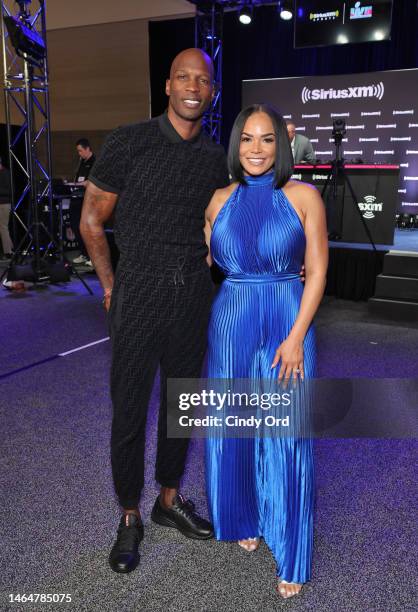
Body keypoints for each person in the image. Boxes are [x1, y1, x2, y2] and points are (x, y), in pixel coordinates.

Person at [80, 49, 230, 574]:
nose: (193, 86)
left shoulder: (215, 156)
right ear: (167, 85)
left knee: (182, 403)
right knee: (129, 408)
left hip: (191, 293)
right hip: (137, 290)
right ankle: (128, 515)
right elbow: (91, 221)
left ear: (211, 92)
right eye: (183, 77)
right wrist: (109, 287)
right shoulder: (129, 141)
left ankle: (168, 501)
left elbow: (219, 222)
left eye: (203, 80)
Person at [204, 105, 328, 599]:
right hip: (232, 318)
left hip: (286, 316)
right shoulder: (216, 200)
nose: (256, 149)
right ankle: (245, 517)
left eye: (267, 140)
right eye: (248, 139)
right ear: (236, 145)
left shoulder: (303, 196)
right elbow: (211, 258)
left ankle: (292, 549)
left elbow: (317, 271)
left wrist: (297, 336)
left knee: (288, 431)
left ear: (283, 144)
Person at [71, 139, 96, 266]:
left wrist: (81, 184)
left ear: (87, 149)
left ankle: (93, 256)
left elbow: (91, 182)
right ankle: (84, 253)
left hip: (88, 200)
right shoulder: (81, 162)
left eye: (80, 150)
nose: (79, 153)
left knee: (88, 229)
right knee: (76, 226)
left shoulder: (95, 162)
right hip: (77, 198)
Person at [0, 156, 13, 259]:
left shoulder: (5, 173)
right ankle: (10, 248)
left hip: (4, 204)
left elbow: (9, 191)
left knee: (3, 227)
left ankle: (8, 252)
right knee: (3, 227)